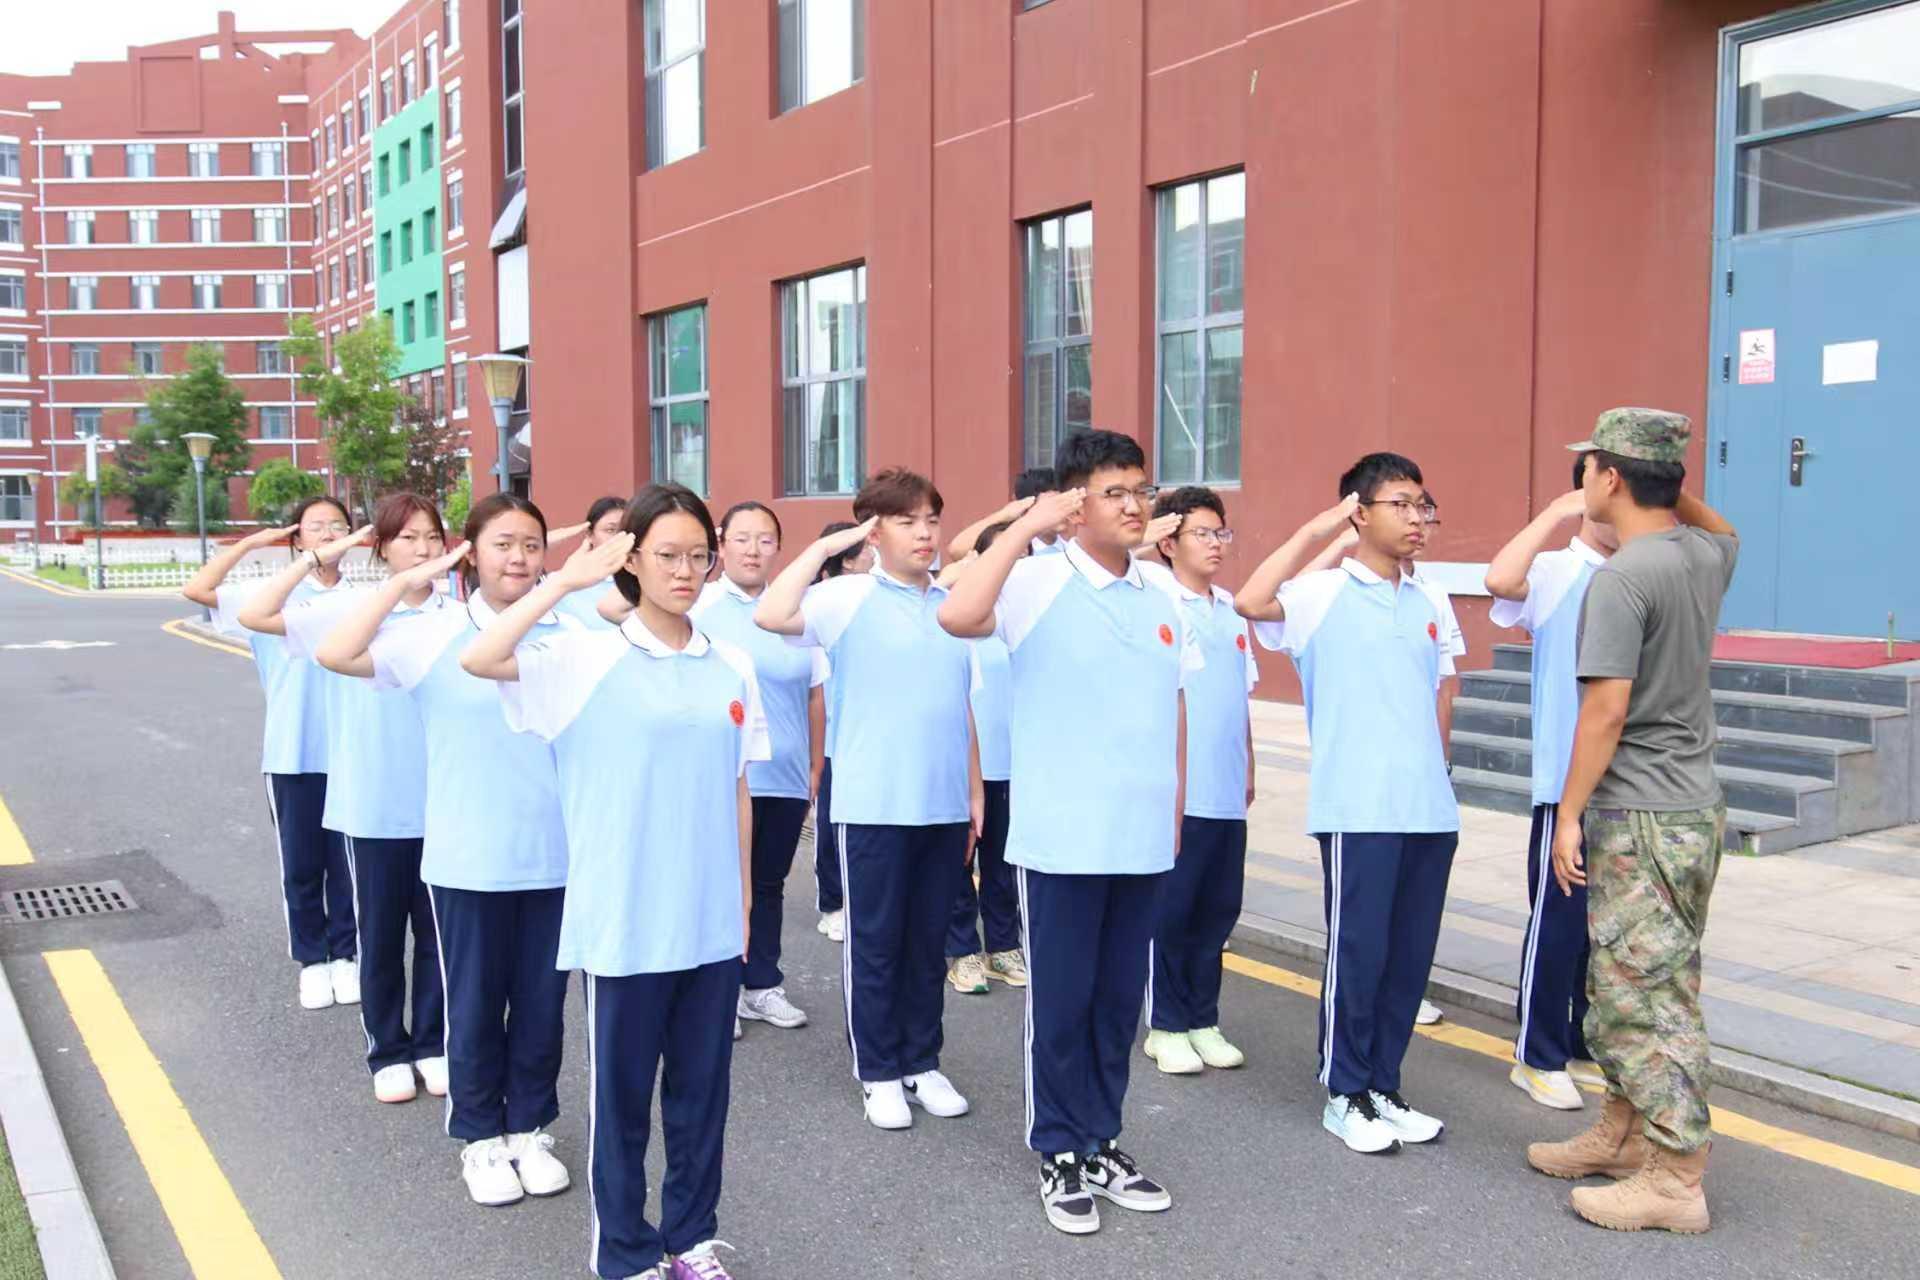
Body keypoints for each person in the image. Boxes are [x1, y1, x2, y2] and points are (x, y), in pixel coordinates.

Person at [463, 484, 766, 1280]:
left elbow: (738, 789)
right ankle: (625, 1250)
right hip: (625, 922)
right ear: (630, 559)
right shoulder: (582, 656)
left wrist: (741, 902)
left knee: (701, 1098)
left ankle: (690, 1239)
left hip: (708, 922)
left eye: (698, 556)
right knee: (623, 1102)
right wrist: (562, 581)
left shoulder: (731, 663)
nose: (686, 571)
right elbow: (481, 657)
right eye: (667, 555)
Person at [939, 428, 1189, 1237]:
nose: (1135, 505)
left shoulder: (1162, 592)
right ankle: (1058, 1150)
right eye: (1115, 492)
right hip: (1062, 838)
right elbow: (957, 612)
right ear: (1076, 504)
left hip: (1140, 838)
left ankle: (1102, 1140)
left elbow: (1174, 704)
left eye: (1141, 490)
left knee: (1117, 1006)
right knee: (1062, 1003)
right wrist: (1024, 525)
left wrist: (1175, 807)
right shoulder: (1035, 580)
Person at [315, 494, 574, 1209]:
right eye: (502, 544)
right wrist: (403, 581)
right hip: (467, 856)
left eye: (530, 544)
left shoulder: (572, 632)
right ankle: (480, 1137)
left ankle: (529, 1128)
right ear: (471, 552)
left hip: (557, 855)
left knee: (543, 1006)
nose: (518, 558)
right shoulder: (431, 633)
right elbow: (336, 653)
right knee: (474, 1003)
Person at [1526, 408, 1738, 1235]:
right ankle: (1624, 1135)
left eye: (1589, 466)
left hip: (1641, 810)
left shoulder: (1621, 578)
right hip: (1690, 807)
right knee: (1633, 979)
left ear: (1611, 477)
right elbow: (1723, 526)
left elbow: (1605, 712)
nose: (1582, 479)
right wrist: (1665, 480)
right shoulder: (1703, 555)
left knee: (1643, 996)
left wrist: (1568, 814)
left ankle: (1676, 1177)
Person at [1234, 453, 1461, 1157]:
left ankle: (1385, 1086)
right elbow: (1250, 601)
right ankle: (1345, 1091)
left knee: (1407, 960)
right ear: (1360, 513)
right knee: (1359, 954)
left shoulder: (1432, 599)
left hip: (1429, 809)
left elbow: (1442, 692)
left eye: (1423, 505)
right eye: (1401, 504)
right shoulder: (1321, 593)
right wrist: (1318, 529)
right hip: (1358, 808)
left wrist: (1441, 776)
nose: (1417, 518)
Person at [755, 469, 979, 1133]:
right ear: (875, 532)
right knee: (877, 944)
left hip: (942, 807)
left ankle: (922, 1061)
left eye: (931, 520)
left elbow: (961, 704)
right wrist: (829, 546)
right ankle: (879, 1070)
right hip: (873, 808)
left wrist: (973, 790)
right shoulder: (847, 596)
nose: (924, 533)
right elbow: (772, 614)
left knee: (927, 944)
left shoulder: (951, 605)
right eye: (907, 521)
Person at [240, 494, 453, 1105]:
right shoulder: (345, 607)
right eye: (407, 538)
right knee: (379, 938)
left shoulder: (458, 617)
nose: (423, 548)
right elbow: (255, 614)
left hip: (445, 804)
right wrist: (319, 556)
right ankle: (388, 1051)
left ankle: (433, 1044)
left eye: (431, 537)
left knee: (439, 939)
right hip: (371, 804)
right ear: (380, 547)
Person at [183, 498, 359, 1012]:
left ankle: (346, 955)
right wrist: (250, 544)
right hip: (292, 752)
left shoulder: (364, 597)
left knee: (348, 865)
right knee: (302, 865)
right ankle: (313, 961)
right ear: (296, 538)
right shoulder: (270, 595)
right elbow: (197, 590)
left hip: (353, 754)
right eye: (316, 527)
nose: (329, 534)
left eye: (338, 525)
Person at [1484, 458, 1618, 1111]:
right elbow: (1499, 580)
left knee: (1600, 929)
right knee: (1559, 923)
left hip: (1626, 785)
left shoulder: (1637, 574)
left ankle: (1576, 1040)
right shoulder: (1559, 569)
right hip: (1565, 786)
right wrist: (1560, 510)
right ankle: (1536, 1056)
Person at [691, 501, 828, 1033]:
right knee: (722, 884)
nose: (753, 550)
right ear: (721, 544)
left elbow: (815, 695)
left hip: (786, 775)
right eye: (742, 538)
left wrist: (814, 766)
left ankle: (762, 986)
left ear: (778, 548)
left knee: (769, 885)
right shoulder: (700, 606)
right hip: (725, 775)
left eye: (765, 540)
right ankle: (718, 992)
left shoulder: (794, 611)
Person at [1136, 486, 1256, 1075]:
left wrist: (1250, 763)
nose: (1215, 544)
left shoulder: (1231, 609)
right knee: (1172, 913)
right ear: (1168, 542)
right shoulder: (1154, 597)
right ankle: (1165, 1024)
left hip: (1225, 790)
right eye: (1201, 534)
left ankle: (1203, 1019)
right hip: (1178, 791)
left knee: (1217, 911)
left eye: (1220, 533)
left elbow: (1240, 696)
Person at [945, 522, 1027, 996]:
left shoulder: (1033, 617)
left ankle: (1003, 945)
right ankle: (963, 951)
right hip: (966, 762)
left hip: (1018, 764)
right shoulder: (960, 619)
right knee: (960, 861)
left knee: (1004, 863)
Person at [808, 520, 875, 945]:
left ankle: (858, 900)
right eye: (866, 548)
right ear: (847, 561)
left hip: (866, 736)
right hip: (834, 734)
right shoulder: (823, 602)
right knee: (830, 824)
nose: (874, 554)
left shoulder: (876, 595)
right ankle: (832, 904)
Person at [944, 466, 1067, 563]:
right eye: (1053, 503)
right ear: (1027, 506)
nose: (1062, 508)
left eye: (1063, 500)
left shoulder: (1070, 551)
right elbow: (956, 550)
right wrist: (1003, 515)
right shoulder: (1013, 548)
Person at [553, 495, 629, 630]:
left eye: (625, 530)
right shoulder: (563, 581)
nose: (619, 537)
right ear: (589, 535)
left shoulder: (643, 581)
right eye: (610, 530)